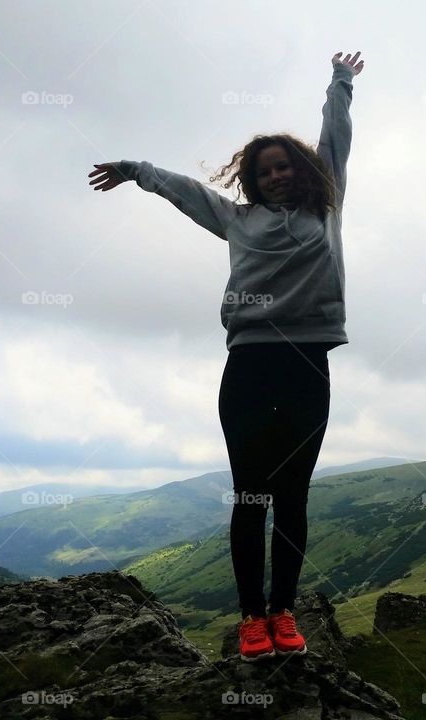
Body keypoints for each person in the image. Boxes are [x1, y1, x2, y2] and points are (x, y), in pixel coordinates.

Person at [88, 51, 364, 662]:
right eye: (266, 171)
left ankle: (284, 612)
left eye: (285, 167)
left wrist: (340, 84)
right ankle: (250, 620)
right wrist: (137, 169)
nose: (278, 176)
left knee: (293, 494)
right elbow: (185, 191)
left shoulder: (326, 207)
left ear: (304, 171)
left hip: (307, 365)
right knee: (251, 494)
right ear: (253, 180)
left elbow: (334, 139)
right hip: (248, 365)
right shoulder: (237, 221)